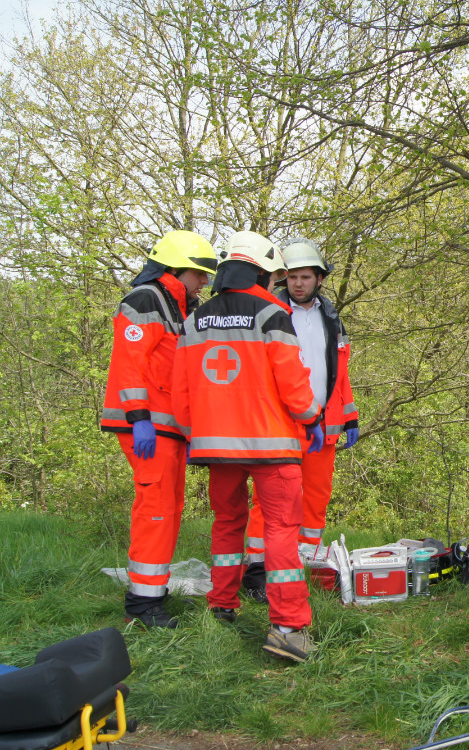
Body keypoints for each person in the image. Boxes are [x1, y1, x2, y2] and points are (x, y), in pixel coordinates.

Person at [172, 231, 324, 662]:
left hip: (216, 448)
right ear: (260, 273)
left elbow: (181, 392)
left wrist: (196, 432)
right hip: (271, 445)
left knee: (226, 524)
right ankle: (288, 628)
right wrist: (311, 418)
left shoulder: (195, 319)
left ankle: (221, 605)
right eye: (274, 276)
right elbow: (293, 383)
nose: (277, 283)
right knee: (280, 531)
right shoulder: (272, 314)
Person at [101, 230, 218, 628]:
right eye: (199, 274)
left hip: (166, 429)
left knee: (168, 508)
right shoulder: (146, 299)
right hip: (147, 427)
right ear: (175, 269)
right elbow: (129, 363)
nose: (204, 281)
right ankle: (143, 605)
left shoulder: (177, 306)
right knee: (156, 510)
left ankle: (151, 595)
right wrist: (140, 419)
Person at [241, 238, 359, 599]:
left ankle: (303, 563)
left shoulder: (331, 317)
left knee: (316, 497)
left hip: (323, 424)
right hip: (282, 423)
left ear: (319, 279)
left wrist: (350, 416)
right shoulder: (270, 313)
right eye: (291, 277)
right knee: (270, 499)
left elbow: (339, 373)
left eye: (305, 277)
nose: (297, 283)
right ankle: (258, 572)